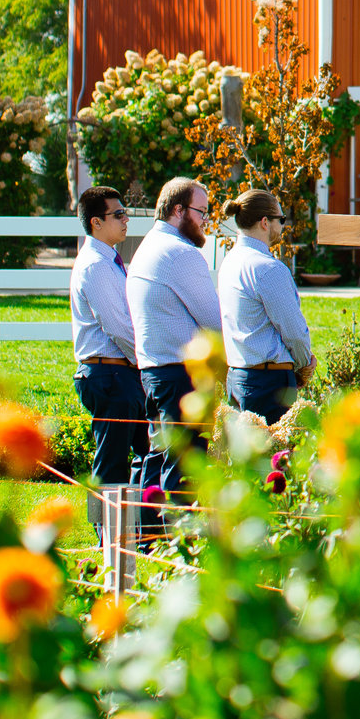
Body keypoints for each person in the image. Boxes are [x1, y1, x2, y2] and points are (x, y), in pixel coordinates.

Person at [126, 176, 221, 526]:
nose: (205, 222)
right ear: (178, 210)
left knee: (158, 457)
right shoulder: (180, 253)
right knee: (182, 464)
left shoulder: (147, 247)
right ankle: (177, 544)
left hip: (152, 371)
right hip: (180, 375)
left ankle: (146, 540)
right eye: (201, 212)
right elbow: (214, 320)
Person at [68, 184, 140, 527]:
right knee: (112, 460)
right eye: (119, 214)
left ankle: (137, 530)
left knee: (143, 450)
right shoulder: (96, 265)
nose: (126, 220)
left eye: (126, 213)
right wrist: (146, 362)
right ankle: (105, 535)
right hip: (108, 374)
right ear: (96, 222)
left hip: (118, 372)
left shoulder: (108, 260)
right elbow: (118, 327)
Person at [216, 189, 315, 424]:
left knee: (243, 458)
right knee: (275, 458)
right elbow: (293, 331)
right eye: (280, 220)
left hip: (238, 375)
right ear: (264, 222)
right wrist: (304, 364)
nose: (282, 225)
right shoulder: (267, 268)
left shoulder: (229, 262)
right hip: (268, 382)